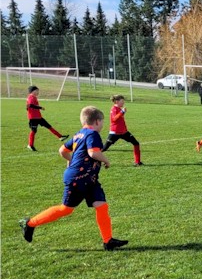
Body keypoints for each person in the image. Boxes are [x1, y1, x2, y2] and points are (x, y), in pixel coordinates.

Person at [19, 106, 128, 251]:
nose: (103, 124)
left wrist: (71, 161)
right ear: (97, 121)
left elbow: (62, 150)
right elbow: (93, 153)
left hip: (89, 179)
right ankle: (30, 223)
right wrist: (106, 161)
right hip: (79, 178)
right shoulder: (93, 134)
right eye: (102, 121)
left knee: (101, 205)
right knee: (66, 209)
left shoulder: (79, 134)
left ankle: (108, 241)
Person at [102, 95, 142, 166]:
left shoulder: (119, 109)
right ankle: (91, 157)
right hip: (115, 133)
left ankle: (137, 162)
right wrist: (122, 112)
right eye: (122, 101)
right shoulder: (114, 109)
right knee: (104, 148)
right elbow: (114, 119)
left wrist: (125, 129)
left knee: (136, 143)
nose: (123, 103)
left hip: (124, 132)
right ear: (117, 101)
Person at [26, 85, 66, 151]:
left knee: (48, 126)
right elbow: (30, 105)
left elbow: (28, 106)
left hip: (38, 117)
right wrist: (40, 107)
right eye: (37, 91)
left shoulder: (33, 97)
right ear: (33, 91)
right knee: (33, 131)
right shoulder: (31, 97)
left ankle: (60, 136)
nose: (38, 92)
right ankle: (30, 145)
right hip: (33, 118)